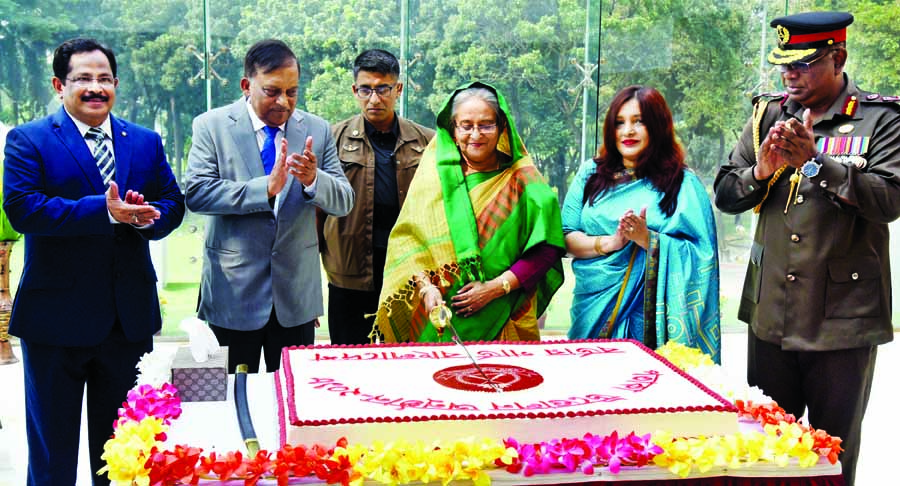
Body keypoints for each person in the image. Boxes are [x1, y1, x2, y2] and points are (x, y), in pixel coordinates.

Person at [713, 12, 900, 486]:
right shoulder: (768, 114)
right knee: (767, 449)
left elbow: (889, 200)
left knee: (831, 452)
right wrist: (762, 170)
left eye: (803, 64)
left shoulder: (880, 119)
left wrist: (817, 163)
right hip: (771, 312)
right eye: (783, 65)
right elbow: (726, 192)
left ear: (838, 57)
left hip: (843, 320)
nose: (789, 75)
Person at [2, 38, 185, 485]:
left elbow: (173, 203)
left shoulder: (144, 141)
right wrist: (102, 210)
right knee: (53, 457)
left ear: (116, 84)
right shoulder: (30, 139)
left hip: (128, 321)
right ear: (59, 84)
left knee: (125, 454)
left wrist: (145, 218)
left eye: (104, 79)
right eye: (83, 78)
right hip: (55, 324)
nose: (95, 88)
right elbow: (23, 209)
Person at [185, 39, 353, 372]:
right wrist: (266, 188)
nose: (284, 102)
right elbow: (198, 193)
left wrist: (312, 180)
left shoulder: (317, 129)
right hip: (233, 294)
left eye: (292, 92)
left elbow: (345, 200)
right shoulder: (211, 126)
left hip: (295, 298)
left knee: (294, 403)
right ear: (247, 86)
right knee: (235, 402)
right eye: (273, 91)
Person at [374, 81, 565, 343]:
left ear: (502, 129)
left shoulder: (525, 184)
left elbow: (547, 250)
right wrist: (426, 289)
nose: (476, 134)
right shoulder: (433, 180)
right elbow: (410, 243)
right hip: (435, 321)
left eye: (486, 124)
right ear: (453, 131)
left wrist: (494, 289)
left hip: (504, 319)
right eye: (466, 125)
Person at [562, 85, 721, 362]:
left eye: (639, 122)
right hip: (592, 305)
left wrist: (647, 239)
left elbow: (702, 255)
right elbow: (566, 236)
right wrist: (611, 243)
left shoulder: (683, 184)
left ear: (658, 126)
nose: (628, 131)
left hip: (646, 317)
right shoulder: (590, 173)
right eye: (620, 123)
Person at [320, 49, 434, 345]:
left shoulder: (427, 142)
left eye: (383, 89)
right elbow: (316, 211)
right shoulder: (332, 140)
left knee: (407, 361)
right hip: (349, 275)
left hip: (408, 274)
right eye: (365, 89)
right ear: (354, 90)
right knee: (348, 362)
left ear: (398, 89)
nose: (374, 98)